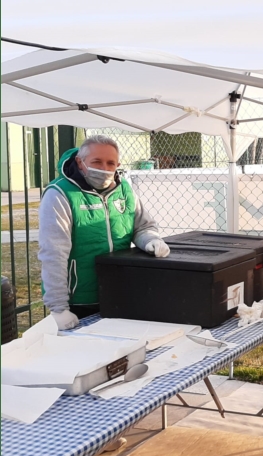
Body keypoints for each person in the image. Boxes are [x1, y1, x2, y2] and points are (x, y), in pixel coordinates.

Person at [39, 135, 170, 330]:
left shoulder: (124, 189)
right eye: (96, 162)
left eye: (110, 163)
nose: (104, 168)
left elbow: (142, 226)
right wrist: (58, 308)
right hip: (79, 300)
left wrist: (150, 240)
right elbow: (53, 253)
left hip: (120, 292)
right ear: (80, 162)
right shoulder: (60, 193)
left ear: (118, 165)